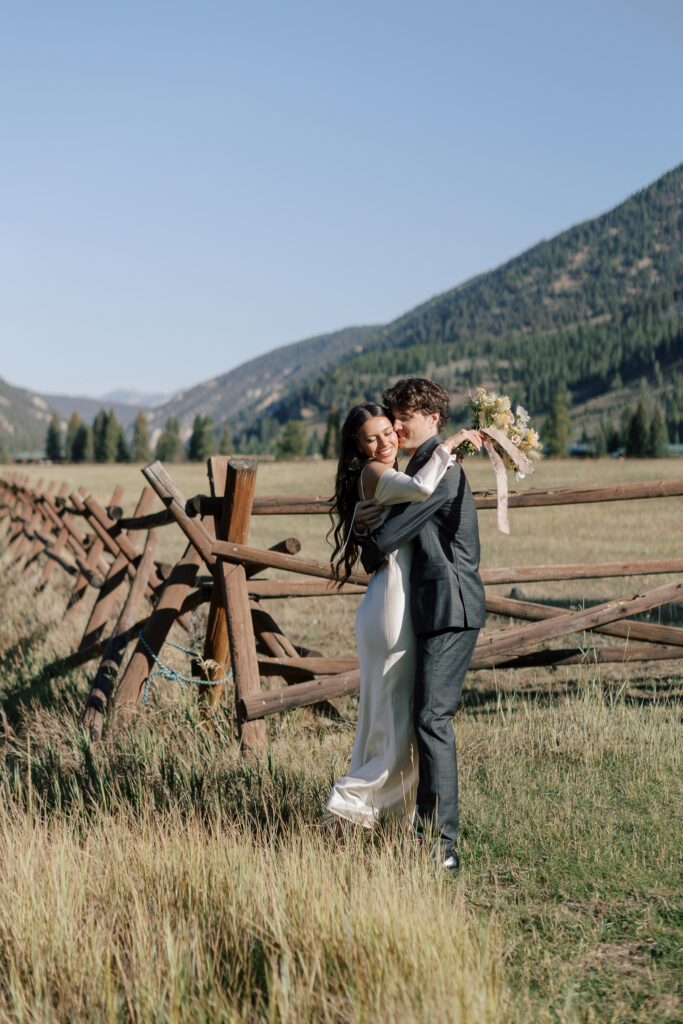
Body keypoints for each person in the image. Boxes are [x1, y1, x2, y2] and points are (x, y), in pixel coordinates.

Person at [325, 399, 483, 848]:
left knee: (390, 717)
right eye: (371, 438)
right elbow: (418, 491)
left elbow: (384, 528)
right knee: (395, 719)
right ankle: (351, 804)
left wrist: (360, 526)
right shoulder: (379, 474)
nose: (384, 441)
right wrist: (449, 447)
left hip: (394, 603)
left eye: (389, 431)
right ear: (358, 447)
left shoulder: (389, 474)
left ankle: (383, 815)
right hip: (392, 606)